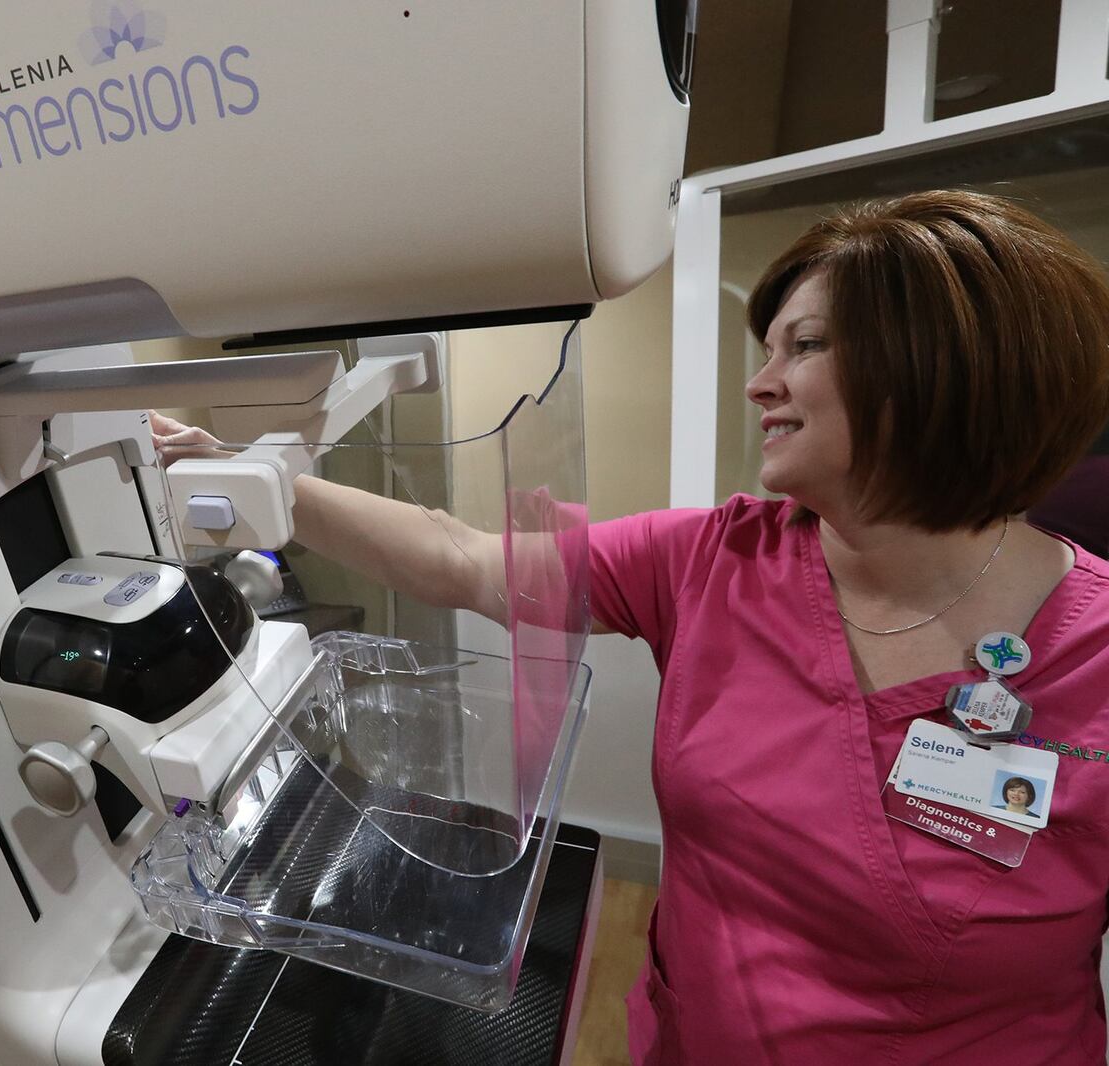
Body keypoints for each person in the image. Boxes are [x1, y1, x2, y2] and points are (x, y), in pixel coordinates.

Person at [153, 190, 1109, 1063]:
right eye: (767, 348)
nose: (760, 383)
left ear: (947, 362)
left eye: (805, 347)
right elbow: (462, 560)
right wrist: (244, 472)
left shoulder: (1094, 653)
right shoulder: (717, 557)